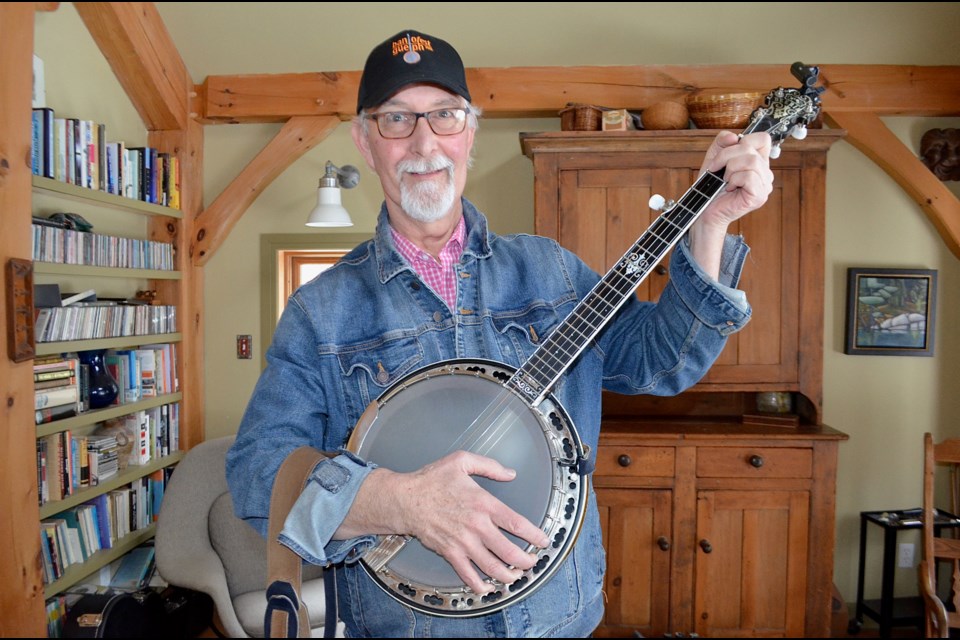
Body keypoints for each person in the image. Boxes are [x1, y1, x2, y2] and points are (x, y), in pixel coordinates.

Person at [227, 28, 774, 638]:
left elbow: (660, 362)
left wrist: (711, 225)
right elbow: (258, 475)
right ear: (365, 139)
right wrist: (398, 501)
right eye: (396, 120)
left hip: (561, 620)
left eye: (445, 116)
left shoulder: (552, 272)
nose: (424, 141)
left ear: (471, 133)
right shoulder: (319, 313)